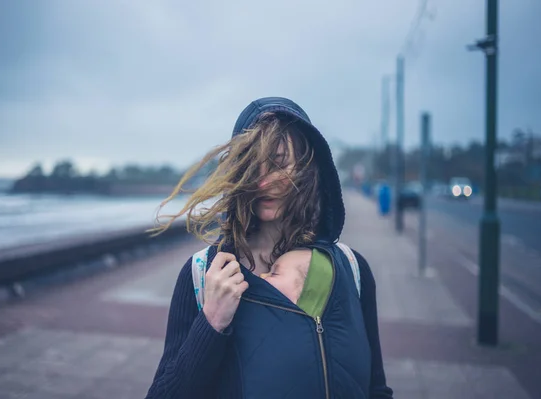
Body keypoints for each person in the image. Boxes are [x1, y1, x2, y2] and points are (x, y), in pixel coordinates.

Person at [145, 97, 393, 399]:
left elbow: (376, 389)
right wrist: (211, 322)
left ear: (309, 168)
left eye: (277, 163)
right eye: (251, 168)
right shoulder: (202, 275)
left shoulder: (352, 269)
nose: (262, 182)